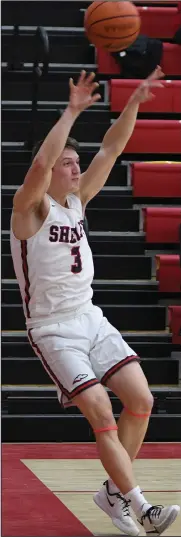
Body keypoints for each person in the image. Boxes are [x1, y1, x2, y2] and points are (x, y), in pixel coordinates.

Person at [10, 67, 180, 536]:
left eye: (75, 162)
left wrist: (135, 103)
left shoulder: (78, 201)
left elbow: (112, 148)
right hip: (53, 328)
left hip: (91, 317)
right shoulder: (28, 208)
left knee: (141, 400)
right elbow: (42, 168)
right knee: (101, 412)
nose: (74, 168)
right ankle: (141, 506)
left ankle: (111, 494)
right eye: (68, 162)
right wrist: (70, 111)